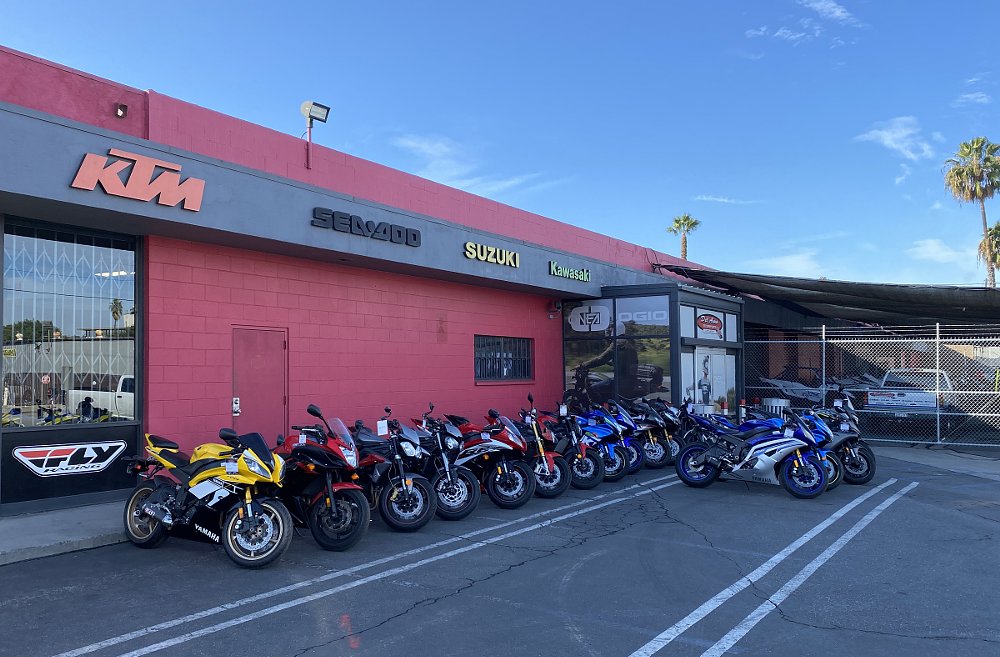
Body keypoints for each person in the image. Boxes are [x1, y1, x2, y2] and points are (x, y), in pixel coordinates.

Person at [577, 322, 640, 402]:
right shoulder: (629, 343)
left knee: (591, 390)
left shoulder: (617, 343)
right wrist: (611, 363)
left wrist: (583, 365)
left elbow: (601, 359)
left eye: (611, 329)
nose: (610, 331)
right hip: (630, 381)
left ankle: (599, 412)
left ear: (616, 330)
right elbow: (625, 362)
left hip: (619, 382)